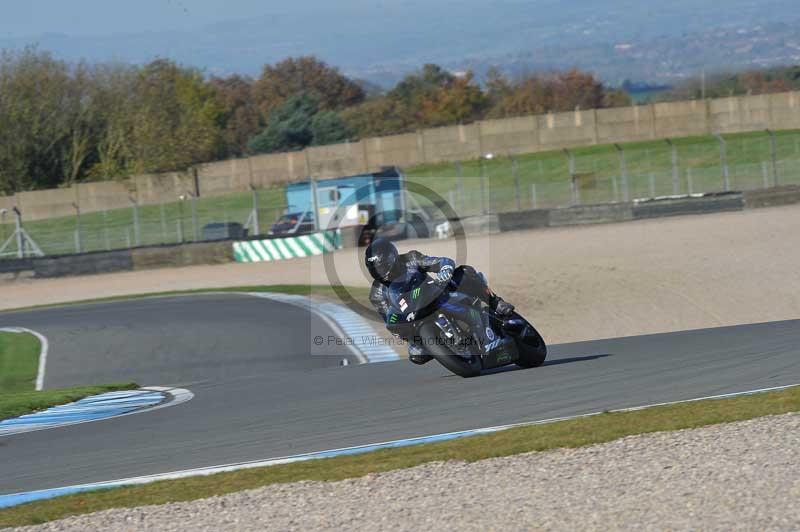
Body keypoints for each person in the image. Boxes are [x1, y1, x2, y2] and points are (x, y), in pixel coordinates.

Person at [365, 237, 514, 365]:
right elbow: (390, 319)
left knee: (464, 272)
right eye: (375, 269)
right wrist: (403, 332)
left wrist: (444, 270)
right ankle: (437, 345)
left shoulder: (411, 259)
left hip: (439, 293)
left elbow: (441, 262)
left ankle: (496, 303)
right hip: (415, 316)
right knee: (416, 354)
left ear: (392, 258)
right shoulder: (376, 294)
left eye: (382, 267)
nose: (381, 272)